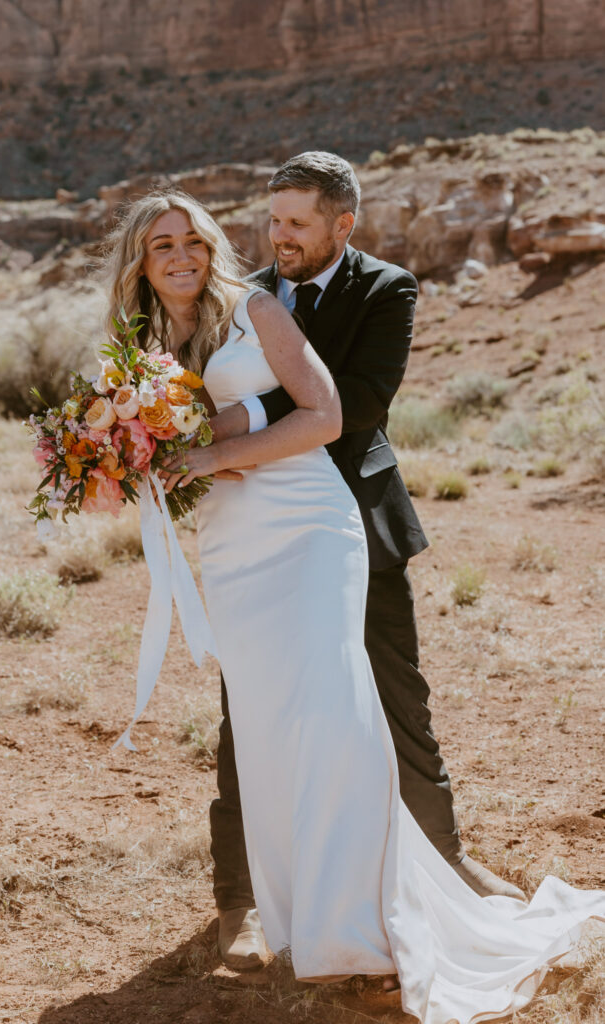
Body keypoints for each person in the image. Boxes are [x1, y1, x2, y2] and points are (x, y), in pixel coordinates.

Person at [108, 188, 604, 1024]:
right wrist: (115, 459)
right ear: (139, 262)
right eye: (161, 246)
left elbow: (327, 414)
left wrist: (204, 455)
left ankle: (368, 935)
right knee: (269, 729)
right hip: (232, 543)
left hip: (305, 524)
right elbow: (158, 450)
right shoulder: (146, 342)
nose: (181, 255)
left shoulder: (254, 309)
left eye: (191, 238)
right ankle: (306, 924)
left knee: (335, 717)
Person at [197, 152, 523, 970]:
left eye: (298, 223)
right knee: (251, 710)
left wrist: (237, 420)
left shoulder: (386, 288)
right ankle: (236, 899)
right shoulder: (243, 298)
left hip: (354, 526)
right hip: (263, 531)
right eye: (272, 221)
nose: (280, 238)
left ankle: (441, 860)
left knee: (395, 693)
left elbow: (359, 402)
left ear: (343, 224)